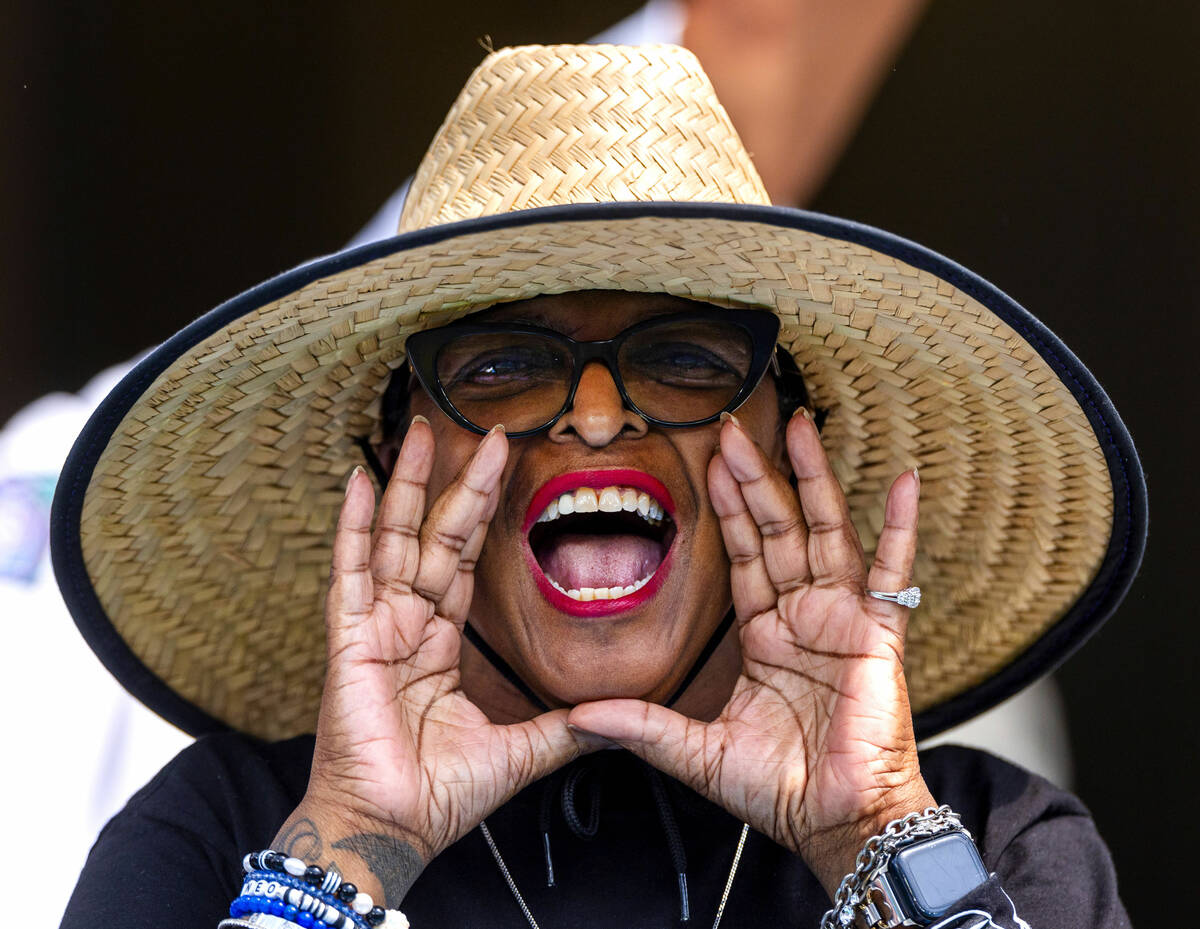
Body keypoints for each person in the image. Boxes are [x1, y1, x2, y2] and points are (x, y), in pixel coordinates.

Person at [54, 45, 1144, 928]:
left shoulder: (992, 834)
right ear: (395, 473)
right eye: (499, 368)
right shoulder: (221, 831)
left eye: (686, 359)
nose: (593, 415)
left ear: (783, 449)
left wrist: (870, 833)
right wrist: (347, 847)